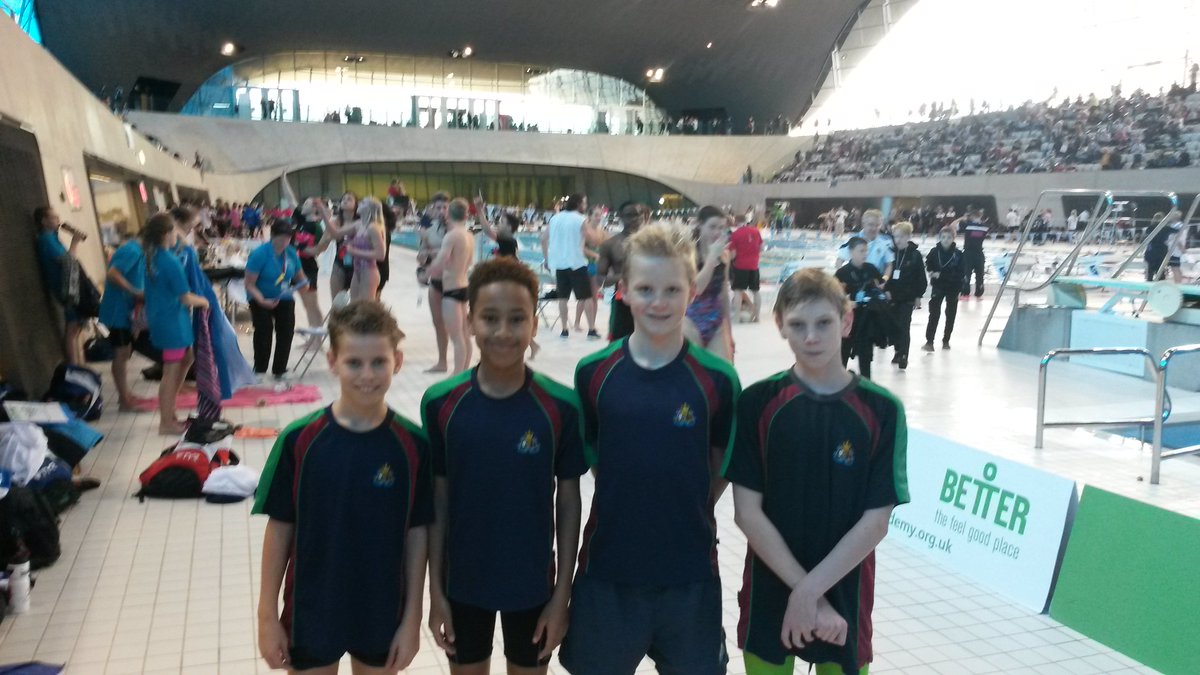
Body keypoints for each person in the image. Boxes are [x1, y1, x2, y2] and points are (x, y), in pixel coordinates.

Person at [560, 223, 740, 675]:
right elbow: (599, 458)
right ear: (623, 291)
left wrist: (682, 504)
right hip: (609, 570)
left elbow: (717, 468)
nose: (658, 302)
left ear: (691, 290)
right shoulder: (595, 373)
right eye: (645, 289)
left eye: (672, 289)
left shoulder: (716, 380)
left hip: (690, 572)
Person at [724, 267, 909, 675]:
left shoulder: (882, 410)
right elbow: (746, 512)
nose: (811, 337)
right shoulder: (758, 402)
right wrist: (804, 594)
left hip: (846, 589)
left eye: (823, 322)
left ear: (846, 321)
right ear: (780, 326)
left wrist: (810, 592)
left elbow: (876, 521)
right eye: (798, 325)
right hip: (770, 586)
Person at [422, 258, 586, 675]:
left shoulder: (560, 407)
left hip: (533, 585)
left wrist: (561, 594)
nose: (503, 332)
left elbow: (568, 503)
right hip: (463, 582)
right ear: (471, 322)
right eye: (490, 318)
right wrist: (435, 592)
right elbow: (436, 503)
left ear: (534, 325)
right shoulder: (443, 403)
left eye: (517, 319)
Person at [254, 300, 431, 674]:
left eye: (378, 362)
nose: (367, 374)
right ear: (333, 361)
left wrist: (413, 617)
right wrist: (267, 616)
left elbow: (419, 535)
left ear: (397, 362)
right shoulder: (299, 440)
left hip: (382, 606)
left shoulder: (413, 446)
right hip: (312, 606)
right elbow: (280, 528)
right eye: (354, 363)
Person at [141, 214, 208, 435]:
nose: (177, 235)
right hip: (171, 323)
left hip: (165, 319)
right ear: (165, 235)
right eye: (173, 232)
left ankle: (170, 413)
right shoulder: (169, 262)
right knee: (170, 373)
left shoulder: (154, 256)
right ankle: (166, 422)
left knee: (187, 359)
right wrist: (205, 301)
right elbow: (186, 297)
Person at [244, 221, 308, 381]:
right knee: (263, 330)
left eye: (288, 238)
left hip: (284, 296)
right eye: (281, 238)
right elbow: (249, 284)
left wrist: (304, 285)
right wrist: (261, 300)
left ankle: (279, 368)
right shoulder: (260, 254)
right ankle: (259, 368)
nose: (285, 242)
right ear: (272, 236)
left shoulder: (291, 253)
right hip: (260, 296)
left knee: (286, 330)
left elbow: (300, 277)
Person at [98, 233, 146, 410]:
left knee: (125, 352)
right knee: (121, 353)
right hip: (118, 310)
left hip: (126, 310)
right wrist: (134, 292)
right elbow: (112, 274)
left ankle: (124, 394)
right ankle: (124, 400)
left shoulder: (138, 251)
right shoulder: (131, 251)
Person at [542, 194, 599, 339]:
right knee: (586, 297)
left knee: (563, 298)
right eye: (584, 203)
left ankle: (564, 329)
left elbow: (543, 238)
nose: (585, 206)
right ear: (579, 204)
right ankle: (591, 329)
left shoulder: (555, 218)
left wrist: (547, 259)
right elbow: (593, 240)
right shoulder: (580, 219)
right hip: (576, 263)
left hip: (559, 264)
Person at [428, 198, 475, 374]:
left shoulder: (452, 235)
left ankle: (457, 376)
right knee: (464, 334)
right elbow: (469, 261)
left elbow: (441, 261)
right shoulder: (469, 235)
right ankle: (464, 372)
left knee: (457, 337)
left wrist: (427, 273)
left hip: (452, 289)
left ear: (449, 214)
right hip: (464, 285)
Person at [34, 206, 85, 365]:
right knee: (72, 328)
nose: (58, 220)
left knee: (76, 327)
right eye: (54, 217)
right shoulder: (46, 239)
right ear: (44, 221)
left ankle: (78, 364)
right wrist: (75, 242)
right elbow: (67, 261)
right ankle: (73, 366)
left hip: (70, 286)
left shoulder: (53, 237)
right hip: (65, 289)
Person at [684, 206, 733, 360]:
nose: (717, 233)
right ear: (700, 225)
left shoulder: (724, 255)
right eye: (712, 227)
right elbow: (695, 289)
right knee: (693, 370)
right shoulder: (688, 253)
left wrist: (729, 331)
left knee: (722, 370)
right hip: (690, 319)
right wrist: (712, 257)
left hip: (715, 319)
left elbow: (724, 292)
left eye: (721, 228)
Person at [835, 238, 885, 379]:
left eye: (866, 251)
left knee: (865, 356)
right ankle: (839, 384)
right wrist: (848, 302)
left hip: (866, 321)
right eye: (861, 251)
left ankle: (866, 386)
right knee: (843, 354)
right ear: (851, 252)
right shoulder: (842, 273)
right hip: (848, 322)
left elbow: (880, 288)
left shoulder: (871, 269)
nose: (865, 254)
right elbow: (834, 297)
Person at [595, 201, 644, 341]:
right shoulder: (610, 245)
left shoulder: (653, 243)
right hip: (622, 302)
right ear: (620, 217)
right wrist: (624, 277)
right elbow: (600, 279)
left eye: (639, 215)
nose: (635, 219)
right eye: (630, 215)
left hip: (649, 300)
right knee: (619, 346)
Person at [882, 222, 927, 371]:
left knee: (904, 326)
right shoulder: (890, 253)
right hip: (892, 296)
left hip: (907, 297)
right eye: (895, 236)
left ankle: (903, 355)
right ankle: (897, 350)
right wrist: (885, 290)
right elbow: (884, 273)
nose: (898, 240)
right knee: (893, 326)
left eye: (901, 236)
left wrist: (918, 295)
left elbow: (921, 277)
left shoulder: (915, 255)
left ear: (908, 236)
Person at [419, 192, 451, 372]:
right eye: (438, 207)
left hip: (454, 284)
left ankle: (461, 366)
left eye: (445, 207)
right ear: (432, 209)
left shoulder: (457, 230)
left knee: (457, 326)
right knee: (438, 323)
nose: (441, 211)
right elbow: (421, 257)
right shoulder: (428, 232)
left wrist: (433, 252)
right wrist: (423, 257)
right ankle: (442, 361)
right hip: (436, 282)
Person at [924, 225, 965, 351]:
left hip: (953, 288)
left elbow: (960, 273)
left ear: (953, 238)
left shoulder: (958, 255)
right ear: (940, 238)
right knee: (934, 313)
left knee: (950, 314)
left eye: (948, 237)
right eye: (943, 237)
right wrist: (931, 271)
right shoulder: (934, 252)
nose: (946, 240)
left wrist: (941, 274)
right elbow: (928, 263)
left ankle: (946, 340)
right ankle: (929, 341)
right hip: (938, 287)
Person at [293, 198, 328, 329]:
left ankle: (317, 338)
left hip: (309, 268)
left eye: (306, 203)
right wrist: (283, 177)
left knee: (312, 305)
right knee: (306, 305)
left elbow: (319, 250)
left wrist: (300, 247)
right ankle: (312, 337)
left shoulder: (316, 227)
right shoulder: (301, 222)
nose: (303, 205)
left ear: (314, 208)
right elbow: (291, 200)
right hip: (298, 268)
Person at [346, 197, 386, 301]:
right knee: (354, 307)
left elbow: (381, 255)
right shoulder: (361, 225)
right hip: (357, 270)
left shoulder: (373, 228)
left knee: (364, 310)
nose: (359, 203)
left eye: (363, 202)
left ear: (369, 209)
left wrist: (354, 251)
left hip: (369, 271)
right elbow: (336, 233)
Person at [836, 209, 893, 278]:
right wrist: (843, 278)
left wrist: (884, 280)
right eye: (871, 224)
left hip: (876, 282)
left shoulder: (886, 241)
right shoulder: (852, 239)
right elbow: (839, 260)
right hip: (855, 280)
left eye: (877, 225)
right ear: (863, 224)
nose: (874, 228)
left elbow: (889, 265)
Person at [729, 213, 764, 323]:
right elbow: (762, 247)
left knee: (738, 292)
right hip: (754, 266)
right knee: (756, 291)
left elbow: (733, 254)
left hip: (740, 266)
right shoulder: (756, 231)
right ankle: (757, 317)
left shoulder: (735, 234)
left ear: (735, 221)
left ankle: (736, 317)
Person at [957, 209, 989, 298]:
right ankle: (979, 290)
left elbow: (955, 226)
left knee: (966, 273)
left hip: (968, 253)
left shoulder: (967, 225)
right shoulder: (985, 227)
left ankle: (965, 290)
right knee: (980, 274)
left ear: (971, 217)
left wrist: (962, 218)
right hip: (979, 253)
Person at [1144, 210, 1173, 281]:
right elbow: (1177, 230)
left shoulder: (1150, 228)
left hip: (1151, 250)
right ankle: (1160, 287)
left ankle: (1148, 288)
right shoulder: (1166, 228)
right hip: (1162, 250)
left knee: (1150, 271)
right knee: (1160, 271)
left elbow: (1146, 239)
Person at [1166, 211, 1188, 284]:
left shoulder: (1179, 226)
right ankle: (1179, 283)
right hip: (1172, 250)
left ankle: (1177, 284)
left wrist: (1182, 249)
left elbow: (1178, 239)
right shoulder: (1173, 225)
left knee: (1175, 268)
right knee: (1175, 268)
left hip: (1175, 251)